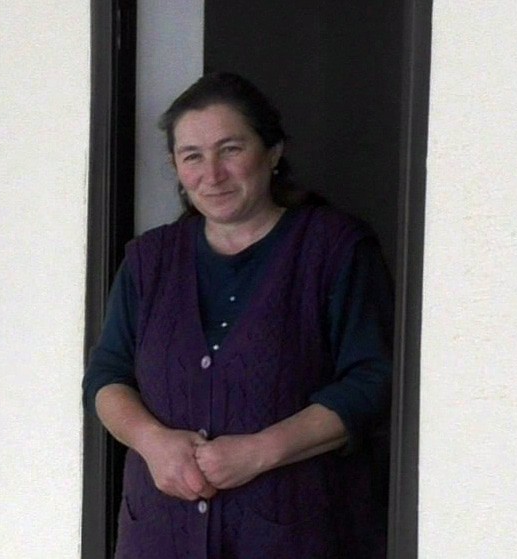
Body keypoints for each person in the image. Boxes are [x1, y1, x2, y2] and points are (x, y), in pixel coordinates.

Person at [82, 73, 393, 558]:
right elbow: (106, 376)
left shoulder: (334, 248)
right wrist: (152, 442)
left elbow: (372, 381)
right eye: (192, 156)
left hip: (294, 534)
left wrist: (261, 451)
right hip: (161, 537)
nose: (212, 173)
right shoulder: (149, 260)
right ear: (176, 166)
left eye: (230, 149)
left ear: (272, 152)